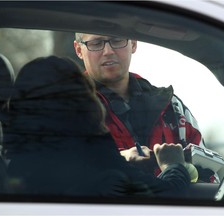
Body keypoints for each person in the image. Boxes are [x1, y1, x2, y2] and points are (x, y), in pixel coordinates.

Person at [2, 56, 196, 197]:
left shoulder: (13, 167)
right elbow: (167, 194)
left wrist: (124, 162)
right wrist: (173, 165)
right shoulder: (99, 165)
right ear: (84, 102)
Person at [73, 33, 211, 181]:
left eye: (117, 40)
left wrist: (185, 170)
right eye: (96, 43)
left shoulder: (173, 107)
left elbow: (210, 177)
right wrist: (120, 160)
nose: (108, 51)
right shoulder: (63, 109)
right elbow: (61, 172)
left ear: (133, 44)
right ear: (79, 50)